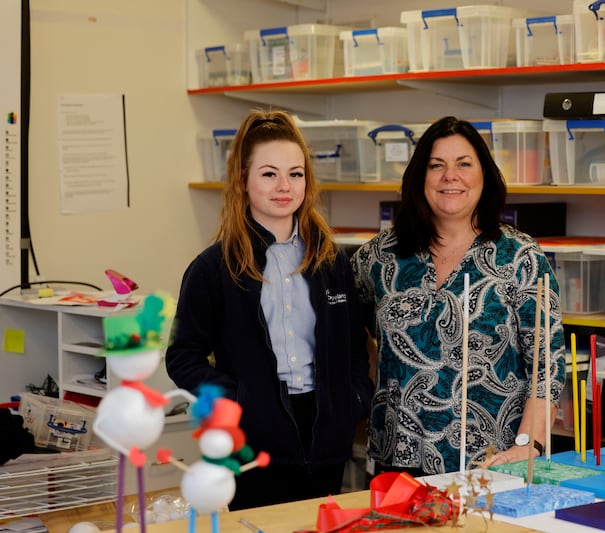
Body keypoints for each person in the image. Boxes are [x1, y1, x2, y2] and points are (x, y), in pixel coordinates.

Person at [165, 110, 373, 509]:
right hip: (253, 441)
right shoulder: (213, 268)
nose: (284, 186)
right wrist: (237, 401)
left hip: (327, 433)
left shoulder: (331, 261)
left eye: (295, 174)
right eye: (269, 174)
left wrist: (354, 401)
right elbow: (182, 357)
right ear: (243, 180)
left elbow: (353, 347)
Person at [350, 116, 565, 476]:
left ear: (485, 175)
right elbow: (338, 318)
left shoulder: (519, 257)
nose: (451, 176)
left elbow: (547, 364)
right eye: (437, 166)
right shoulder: (381, 254)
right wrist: (370, 372)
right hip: (397, 461)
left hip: (491, 463)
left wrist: (529, 445)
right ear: (420, 178)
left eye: (464, 164)